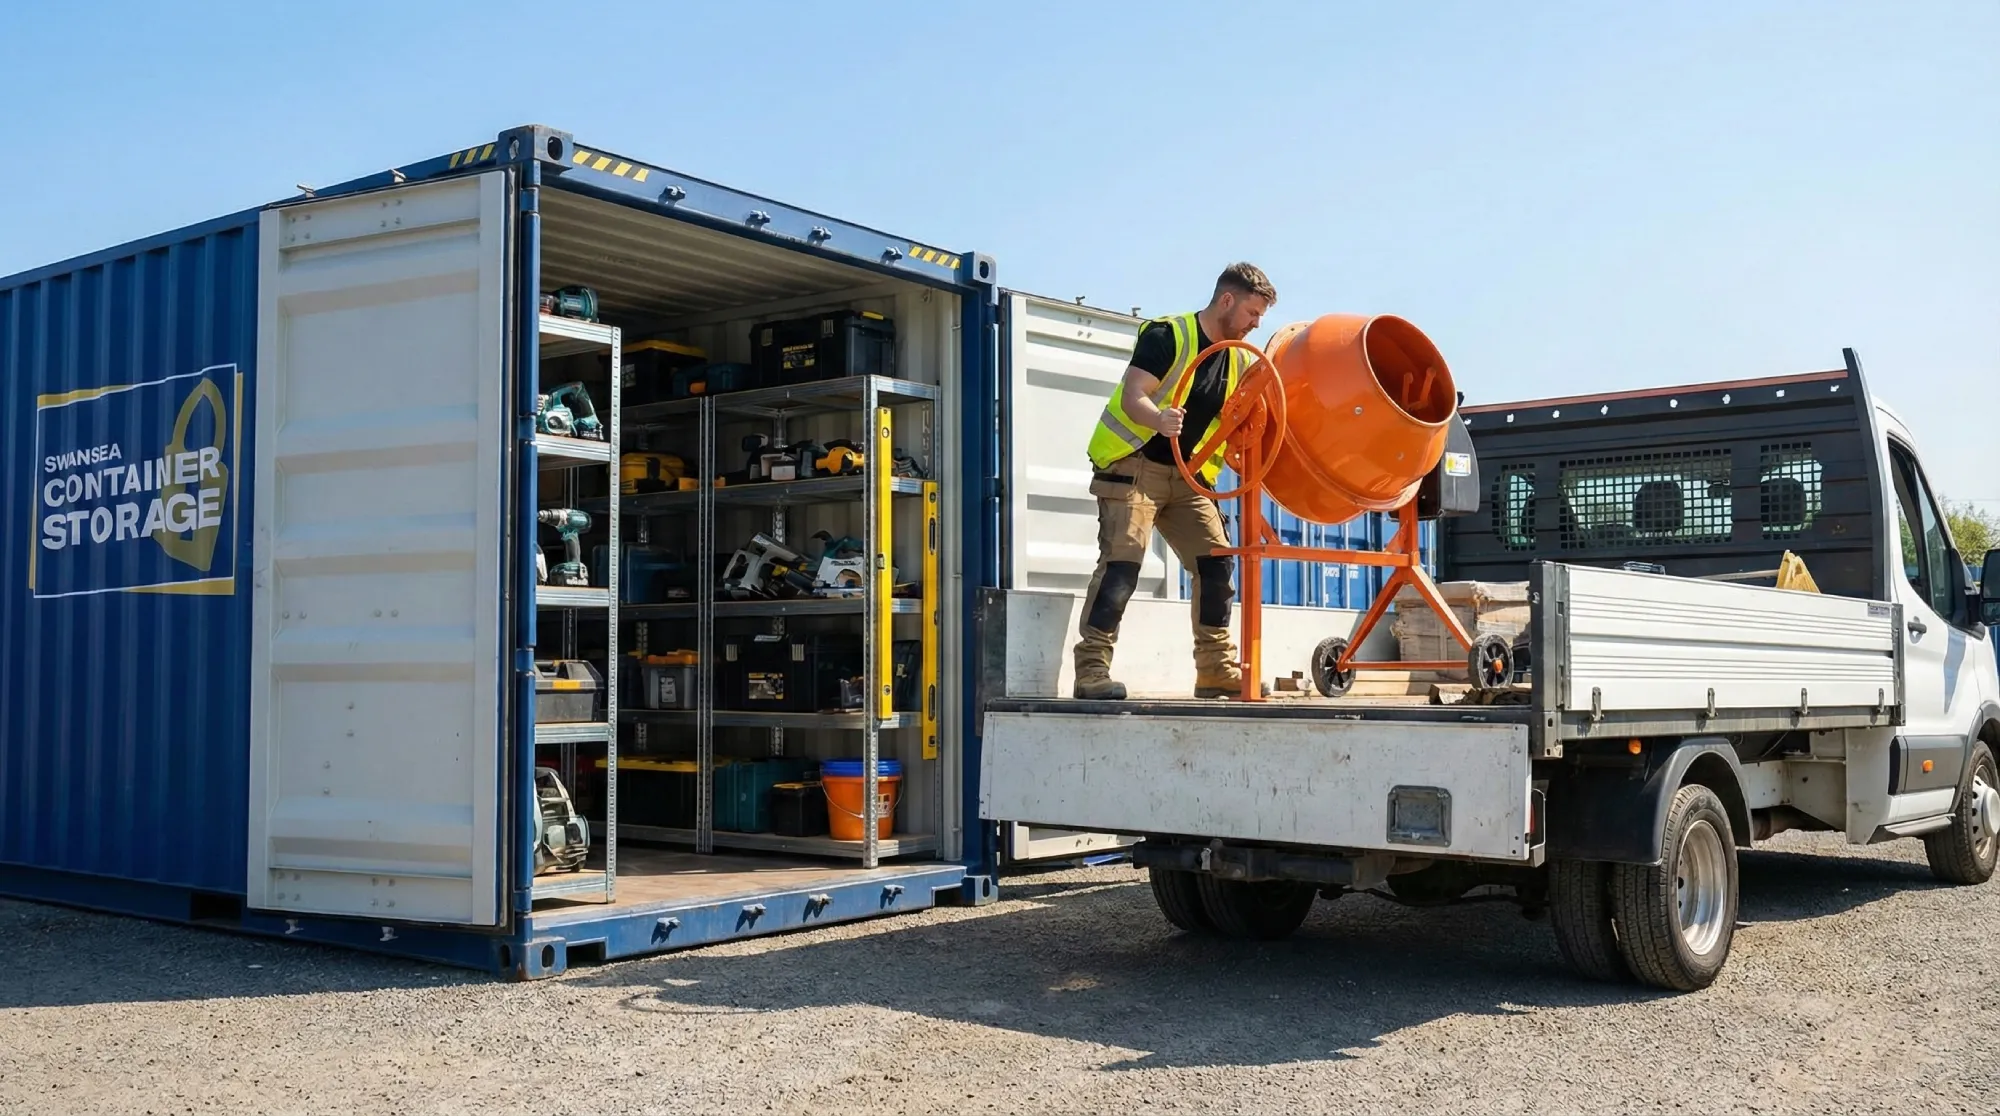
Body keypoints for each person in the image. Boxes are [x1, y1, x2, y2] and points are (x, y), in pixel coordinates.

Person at [1072, 262, 1277, 700]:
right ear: (1227, 301)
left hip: (1188, 478)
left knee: (1216, 562)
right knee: (1122, 564)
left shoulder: (1241, 359)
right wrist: (1158, 419)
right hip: (1134, 465)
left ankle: (1216, 671)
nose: (1256, 325)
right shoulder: (1168, 335)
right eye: (1252, 313)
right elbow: (1134, 396)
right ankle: (1091, 669)